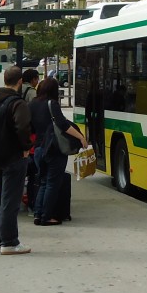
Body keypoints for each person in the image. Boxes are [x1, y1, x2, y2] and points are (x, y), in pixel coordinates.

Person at [0, 66, 34, 255]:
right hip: (13, 157)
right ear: (20, 82)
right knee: (10, 200)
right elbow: (23, 128)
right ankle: (10, 242)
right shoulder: (17, 103)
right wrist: (26, 147)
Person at [29, 75, 87, 226]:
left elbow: (30, 127)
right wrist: (81, 137)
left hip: (38, 149)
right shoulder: (52, 104)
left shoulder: (32, 104)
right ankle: (46, 217)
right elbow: (63, 125)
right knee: (52, 183)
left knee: (42, 182)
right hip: (53, 149)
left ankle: (38, 214)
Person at [20, 69, 41, 211]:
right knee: (33, 173)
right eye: (37, 79)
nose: (37, 82)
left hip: (19, 132)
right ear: (33, 79)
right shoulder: (32, 92)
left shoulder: (17, 89)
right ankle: (31, 201)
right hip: (30, 134)